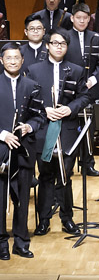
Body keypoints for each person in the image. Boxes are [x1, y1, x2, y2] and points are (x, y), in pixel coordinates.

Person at [28, 28, 90, 237]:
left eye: (62, 44)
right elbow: (29, 98)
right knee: (45, 175)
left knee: (65, 175)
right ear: (47, 45)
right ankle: (44, 220)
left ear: (67, 47)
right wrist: (44, 109)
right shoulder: (34, 70)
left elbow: (84, 97)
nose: (59, 47)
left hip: (67, 130)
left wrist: (70, 108)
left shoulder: (76, 70)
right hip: (43, 130)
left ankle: (67, 219)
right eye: (55, 43)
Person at [0, 43, 45, 260]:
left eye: (16, 58)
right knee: (0, 200)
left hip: (25, 150)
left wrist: (30, 126)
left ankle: (21, 241)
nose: (13, 61)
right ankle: (1, 243)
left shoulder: (32, 85)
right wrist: (3, 135)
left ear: (22, 60)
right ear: (2, 60)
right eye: (8, 58)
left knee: (22, 199)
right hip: (1, 149)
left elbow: (40, 116)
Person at [65, 3, 99, 177]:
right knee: (71, 127)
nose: (82, 20)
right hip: (70, 91)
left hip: (91, 88)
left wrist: (94, 78)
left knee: (89, 127)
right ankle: (69, 162)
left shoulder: (96, 37)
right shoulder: (65, 36)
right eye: (78, 17)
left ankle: (88, 163)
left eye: (85, 18)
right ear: (72, 18)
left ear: (89, 19)